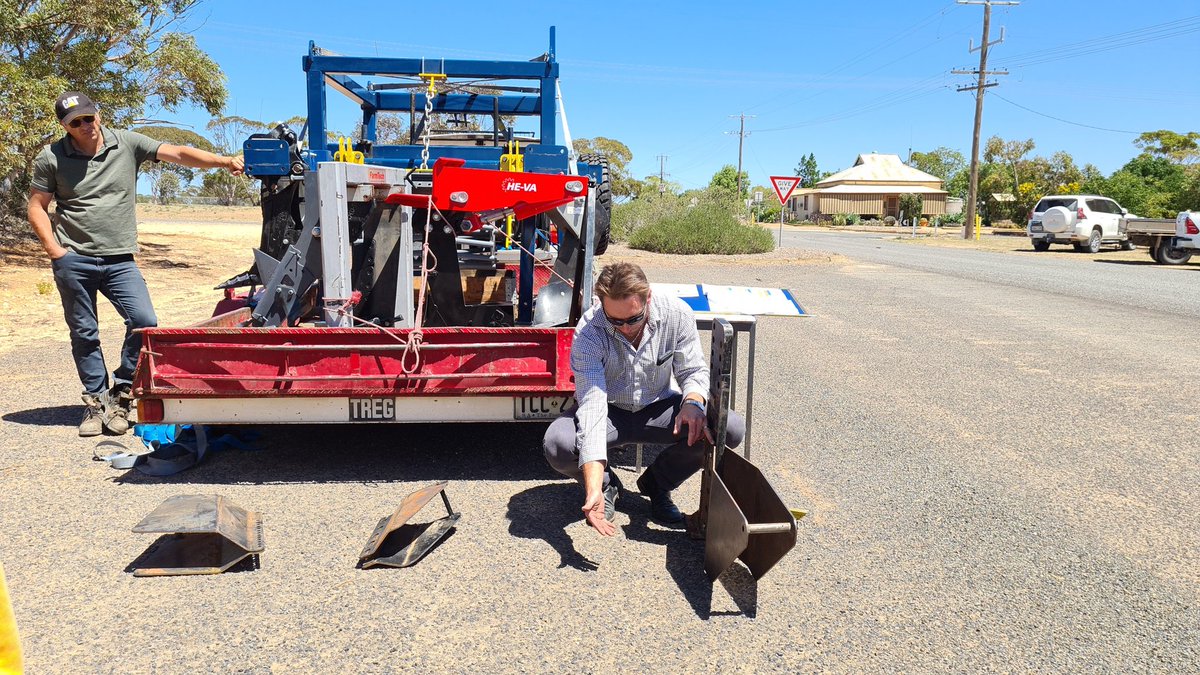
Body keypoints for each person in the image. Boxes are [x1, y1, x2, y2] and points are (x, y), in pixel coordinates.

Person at [27, 92, 245, 437]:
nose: (86, 126)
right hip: (74, 259)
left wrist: (222, 161)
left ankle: (123, 392)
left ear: (97, 113)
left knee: (144, 321)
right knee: (84, 332)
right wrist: (55, 250)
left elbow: (177, 153)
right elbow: (37, 205)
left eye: (88, 117)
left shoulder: (127, 143)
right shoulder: (51, 157)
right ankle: (97, 404)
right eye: (76, 123)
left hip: (119, 259)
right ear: (65, 126)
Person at [542, 262, 745, 536]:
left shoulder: (677, 314)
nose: (625, 328)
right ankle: (606, 486)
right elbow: (592, 406)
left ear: (648, 297)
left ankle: (658, 483)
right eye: (615, 321)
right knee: (558, 444)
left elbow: (693, 370)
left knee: (727, 428)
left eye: (633, 319)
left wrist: (693, 403)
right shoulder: (589, 331)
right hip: (609, 410)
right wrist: (592, 489)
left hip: (659, 407)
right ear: (602, 305)